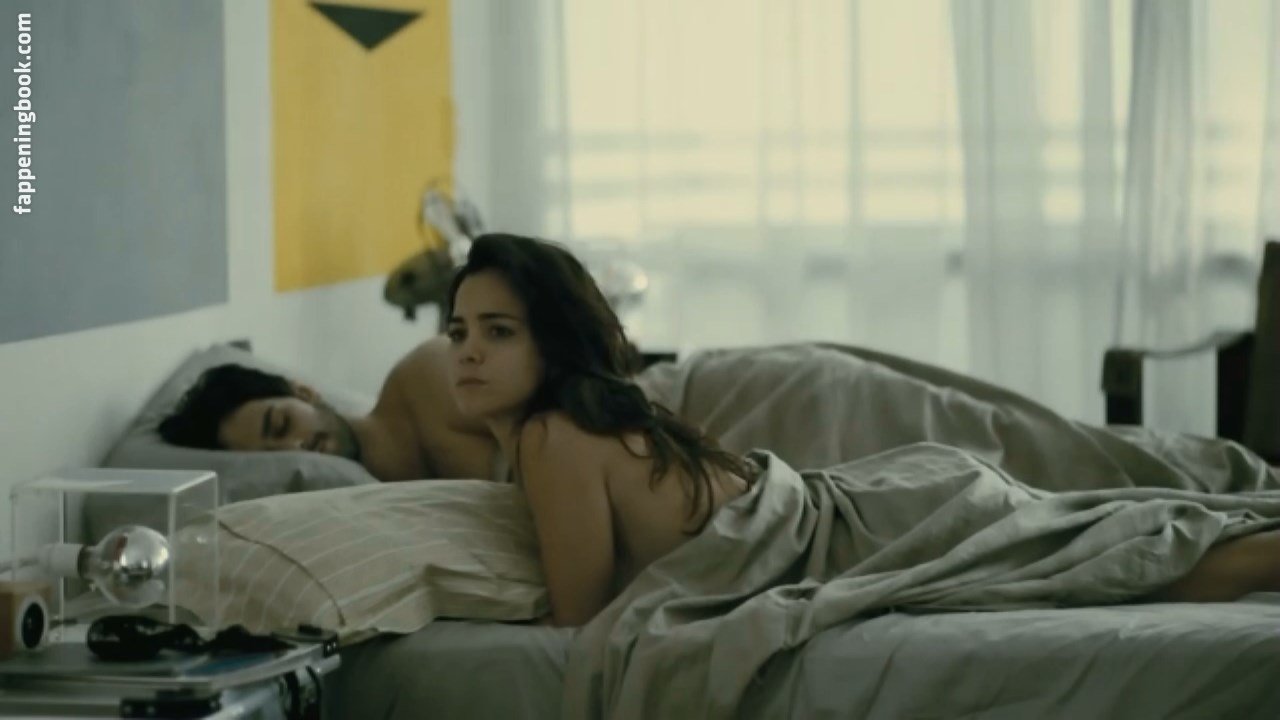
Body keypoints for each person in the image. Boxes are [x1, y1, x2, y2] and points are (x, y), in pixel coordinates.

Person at [443, 233, 1280, 627]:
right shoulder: (591, 418)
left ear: (551, 340)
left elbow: (578, 619)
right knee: (1110, 542)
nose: (469, 352)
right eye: (458, 333)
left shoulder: (552, 440)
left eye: (498, 331)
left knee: (1111, 561)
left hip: (870, 527)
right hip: (885, 501)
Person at [158, 337, 502, 482]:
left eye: (281, 425)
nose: (294, 448)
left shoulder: (426, 376)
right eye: (272, 456)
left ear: (304, 392)